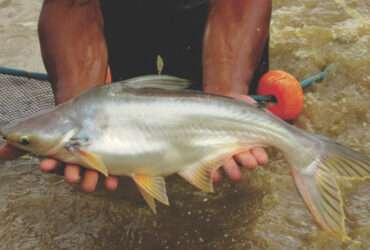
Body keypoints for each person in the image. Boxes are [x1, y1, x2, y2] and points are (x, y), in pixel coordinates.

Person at [0, 0, 271, 193]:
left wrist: (225, 93)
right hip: (119, 7)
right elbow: (72, 3)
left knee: (234, 178)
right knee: (122, 181)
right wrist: (81, 101)